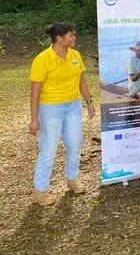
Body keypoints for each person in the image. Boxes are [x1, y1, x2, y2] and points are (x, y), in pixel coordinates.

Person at [29, 22, 96, 206]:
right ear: (59, 38)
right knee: (49, 148)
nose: (74, 38)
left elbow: (81, 80)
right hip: (50, 107)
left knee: (75, 143)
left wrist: (89, 102)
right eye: (70, 35)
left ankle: (72, 179)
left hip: (72, 105)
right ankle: (40, 191)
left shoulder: (75, 55)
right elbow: (35, 92)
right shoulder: (42, 59)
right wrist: (34, 119)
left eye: (74, 35)